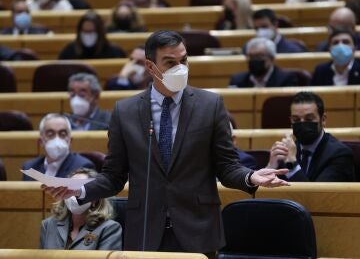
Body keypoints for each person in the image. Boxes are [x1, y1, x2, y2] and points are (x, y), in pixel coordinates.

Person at [43, 30, 289, 257]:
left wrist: (251, 177)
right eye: (171, 63)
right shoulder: (125, 111)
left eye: (184, 60)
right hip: (146, 230)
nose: (180, 68)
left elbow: (226, 166)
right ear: (151, 67)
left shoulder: (210, 105)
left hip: (198, 229)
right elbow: (114, 176)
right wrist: (82, 190)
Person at [267, 91, 354, 182]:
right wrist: (270, 167)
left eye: (309, 118)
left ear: (323, 120)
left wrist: (292, 165)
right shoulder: (287, 151)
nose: (302, 123)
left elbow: (316, 195)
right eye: (296, 119)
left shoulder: (339, 154)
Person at [40, 168, 122, 250]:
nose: (73, 195)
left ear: (96, 198)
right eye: (69, 189)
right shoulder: (48, 225)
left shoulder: (109, 228)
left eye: (78, 190)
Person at [22, 113, 95, 181]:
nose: (57, 139)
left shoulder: (82, 167)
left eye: (62, 134)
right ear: (41, 141)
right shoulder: (30, 167)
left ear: (70, 140)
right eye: (50, 134)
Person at [230, 37, 298, 88]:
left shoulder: (286, 80)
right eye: (251, 56)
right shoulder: (237, 80)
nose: (254, 60)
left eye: (259, 56)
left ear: (271, 58)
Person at [58, 11, 127, 60]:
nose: (87, 35)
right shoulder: (69, 51)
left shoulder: (114, 52)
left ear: (100, 32)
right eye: (85, 31)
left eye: (91, 31)